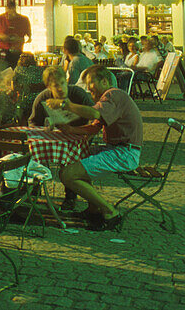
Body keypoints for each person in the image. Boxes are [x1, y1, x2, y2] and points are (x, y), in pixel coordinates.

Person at [58, 67, 143, 231]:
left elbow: (94, 114)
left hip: (124, 153)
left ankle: (109, 211)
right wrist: (70, 129)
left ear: (104, 81)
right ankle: (93, 209)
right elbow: (94, 127)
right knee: (72, 157)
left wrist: (67, 105)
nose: (90, 91)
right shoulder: (111, 100)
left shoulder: (113, 94)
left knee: (68, 174)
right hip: (118, 149)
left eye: (91, 85)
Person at [29, 65, 94, 210]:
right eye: (55, 86)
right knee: (34, 155)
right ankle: (34, 189)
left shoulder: (77, 93)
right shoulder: (43, 98)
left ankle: (70, 197)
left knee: (70, 163)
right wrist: (45, 128)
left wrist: (86, 135)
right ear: (48, 87)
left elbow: (94, 116)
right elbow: (33, 122)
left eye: (63, 84)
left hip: (77, 137)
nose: (60, 88)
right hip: (52, 139)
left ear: (67, 81)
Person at [0, 0, 31, 64]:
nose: (10, 11)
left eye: (12, 8)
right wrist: (1, 37)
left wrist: (18, 39)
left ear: (15, 8)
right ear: (6, 8)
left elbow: (28, 38)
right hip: (2, 51)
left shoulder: (24, 20)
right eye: (9, 8)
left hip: (16, 51)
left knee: (13, 71)